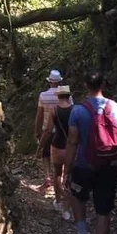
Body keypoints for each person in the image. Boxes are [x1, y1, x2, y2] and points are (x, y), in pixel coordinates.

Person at [64, 72, 117, 234]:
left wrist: (67, 170)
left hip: (84, 166)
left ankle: (82, 231)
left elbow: (72, 142)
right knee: (103, 213)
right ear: (103, 85)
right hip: (109, 167)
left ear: (86, 85)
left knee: (77, 195)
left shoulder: (78, 111)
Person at [38, 84, 74, 220]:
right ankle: (67, 208)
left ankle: (58, 202)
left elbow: (47, 130)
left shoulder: (54, 110)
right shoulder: (75, 110)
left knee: (57, 173)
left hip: (57, 145)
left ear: (58, 96)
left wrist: (40, 146)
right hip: (71, 146)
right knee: (69, 176)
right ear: (69, 96)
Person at [34, 69, 62, 191]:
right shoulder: (65, 95)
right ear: (59, 82)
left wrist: (37, 131)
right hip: (62, 131)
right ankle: (60, 180)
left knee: (45, 155)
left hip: (47, 131)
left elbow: (39, 115)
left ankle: (47, 178)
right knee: (60, 157)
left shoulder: (43, 95)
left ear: (50, 81)